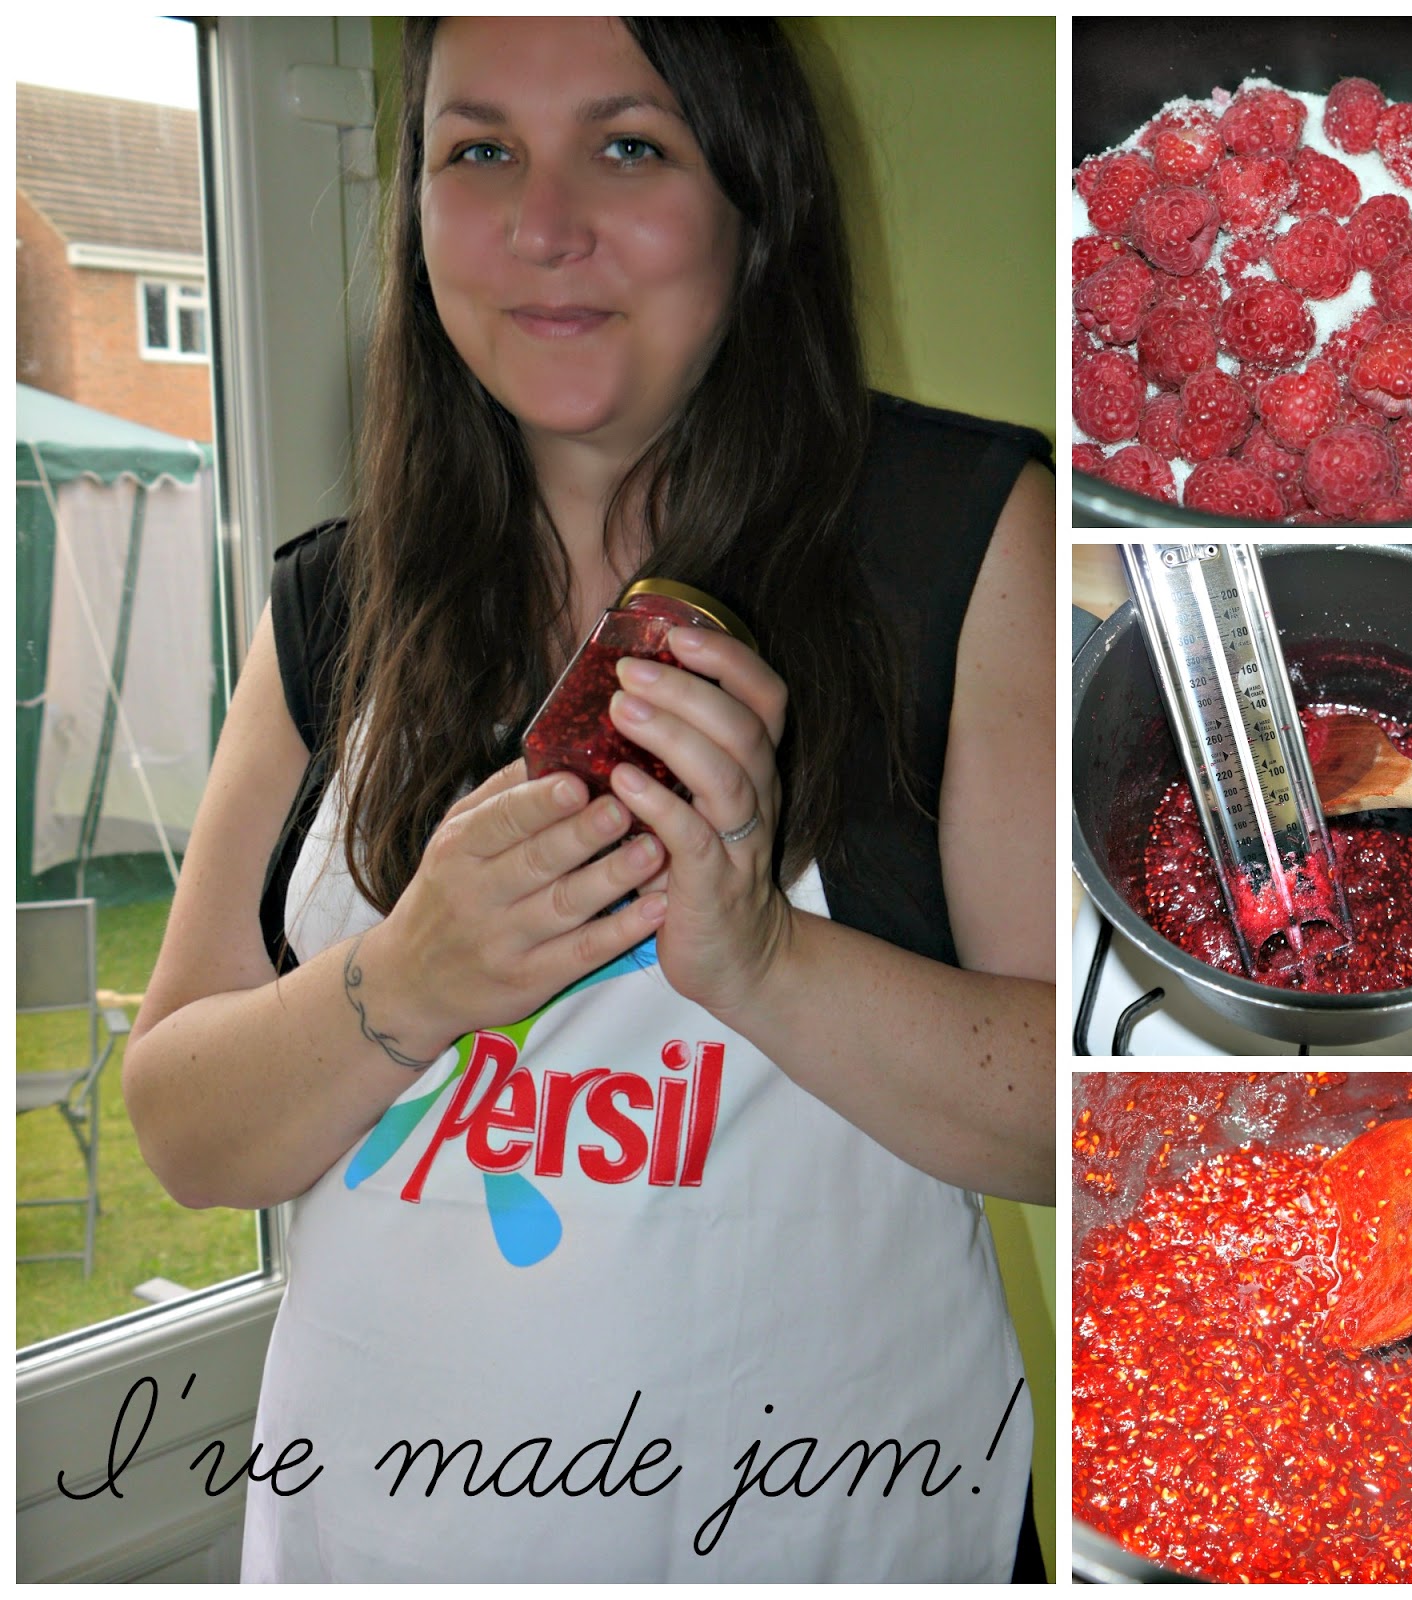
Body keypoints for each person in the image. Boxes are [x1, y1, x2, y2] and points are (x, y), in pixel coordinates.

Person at [122, 16, 1053, 1582]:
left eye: (630, 146)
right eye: (477, 152)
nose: (542, 226)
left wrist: (761, 957)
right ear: (416, 221)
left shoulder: (955, 541)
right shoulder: (336, 605)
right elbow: (186, 1133)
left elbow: (1072, 1129)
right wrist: (400, 984)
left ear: (754, 206)